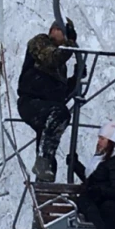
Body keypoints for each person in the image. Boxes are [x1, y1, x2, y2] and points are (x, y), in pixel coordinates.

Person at [17, 18, 81, 182]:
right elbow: (51, 58)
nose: (65, 38)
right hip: (31, 102)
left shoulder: (61, 66)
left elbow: (62, 94)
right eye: (63, 33)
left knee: (51, 132)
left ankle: (45, 175)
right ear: (53, 30)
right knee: (60, 114)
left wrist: (76, 78)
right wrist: (71, 44)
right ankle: (43, 162)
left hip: (48, 107)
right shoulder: (40, 43)